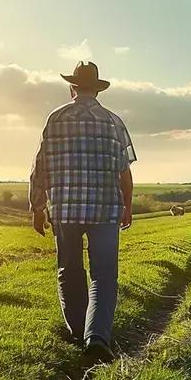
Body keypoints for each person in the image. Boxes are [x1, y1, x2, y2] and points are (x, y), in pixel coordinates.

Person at [29, 61, 136, 362]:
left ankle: (78, 332)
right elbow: (124, 172)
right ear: (98, 89)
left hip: (64, 208)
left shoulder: (56, 118)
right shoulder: (113, 122)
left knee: (70, 271)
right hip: (105, 209)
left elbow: (41, 167)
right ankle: (97, 336)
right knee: (104, 275)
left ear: (72, 87)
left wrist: (37, 207)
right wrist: (127, 206)